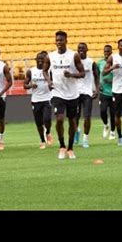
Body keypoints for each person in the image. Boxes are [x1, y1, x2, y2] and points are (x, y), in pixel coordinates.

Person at [43, 31, 85, 159]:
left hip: (72, 94)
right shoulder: (50, 56)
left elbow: (82, 73)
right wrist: (49, 81)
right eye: (57, 40)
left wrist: (71, 75)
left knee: (72, 122)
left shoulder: (74, 55)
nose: (59, 43)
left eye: (61, 40)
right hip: (57, 93)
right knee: (60, 119)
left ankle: (70, 148)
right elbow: (44, 70)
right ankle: (62, 146)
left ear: (66, 40)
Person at [24, 51, 53, 149]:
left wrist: (51, 85)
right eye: (39, 59)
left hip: (47, 98)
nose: (40, 61)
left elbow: (53, 82)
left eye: (42, 60)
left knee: (47, 119)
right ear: (36, 60)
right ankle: (42, 140)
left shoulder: (49, 71)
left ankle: (48, 132)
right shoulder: (31, 71)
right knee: (39, 122)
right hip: (35, 100)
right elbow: (25, 85)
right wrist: (31, 85)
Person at [75, 43, 99, 148]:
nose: (81, 50)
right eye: (79, 48)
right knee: (74, 118)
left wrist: (97, 89)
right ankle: (76, 131)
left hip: (87, 93)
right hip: (75, 93)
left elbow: (96, 76)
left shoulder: (91, 62)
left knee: (87, 117)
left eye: (83, 48)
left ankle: (85, 138)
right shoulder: (73, 62)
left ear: (87, 49)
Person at [96, 45, 116, 140]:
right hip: (103, 92)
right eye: (105, 52)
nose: (107, 53)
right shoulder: (100, 63)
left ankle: (112, 132)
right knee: (103, 111)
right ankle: (106, 124)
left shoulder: (115, 63)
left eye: (108, 52)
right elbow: (96, 75)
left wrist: (112, 82)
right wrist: (97, 85)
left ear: (111, 52)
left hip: (114, 92)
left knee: (113, 113)